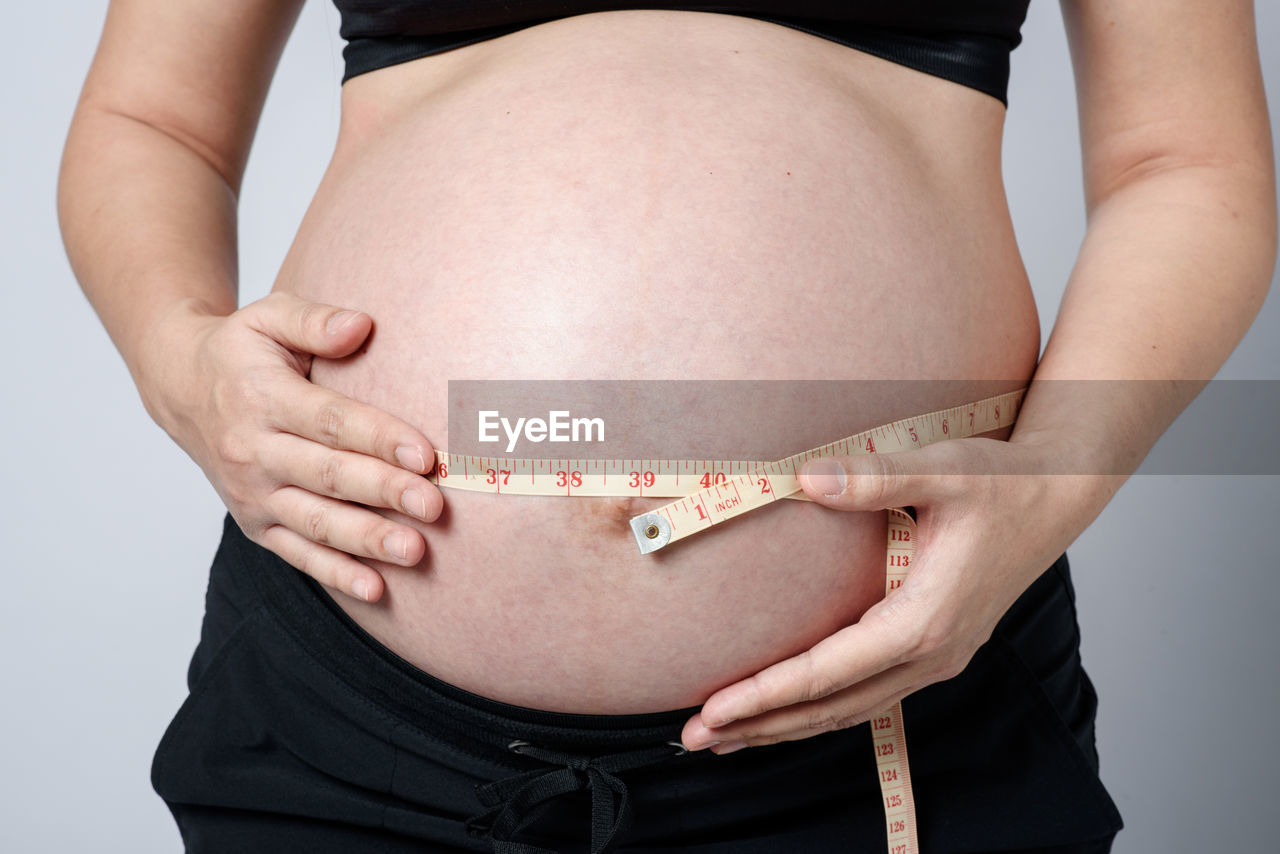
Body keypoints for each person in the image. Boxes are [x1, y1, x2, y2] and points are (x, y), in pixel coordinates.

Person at [58, 2, 1275, 852]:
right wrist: (182, 363)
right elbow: (154, 121)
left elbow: (1183, 160)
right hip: (351, 695)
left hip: (891, 700)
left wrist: (1051, 482)